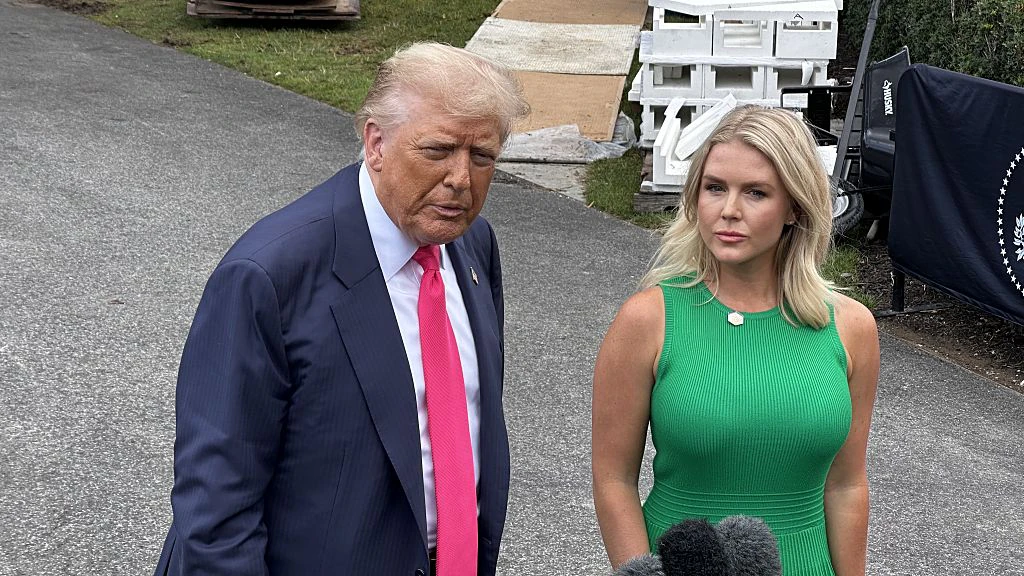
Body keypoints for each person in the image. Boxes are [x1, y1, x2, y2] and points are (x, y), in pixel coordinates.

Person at [152, 42, 528, 576]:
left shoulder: (472, 247)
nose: (461, 180)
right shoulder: (268, 277)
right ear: (375, 142)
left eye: (482, 156)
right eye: (439, 150)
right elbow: (216, 509)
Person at [592, 106, 880, 576]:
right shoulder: (647, 319)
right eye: (715, 188)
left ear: (794, 207)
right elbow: (614, 479)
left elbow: (846, 485)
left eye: (756, 193)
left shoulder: (851, 328)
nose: (729, 210)